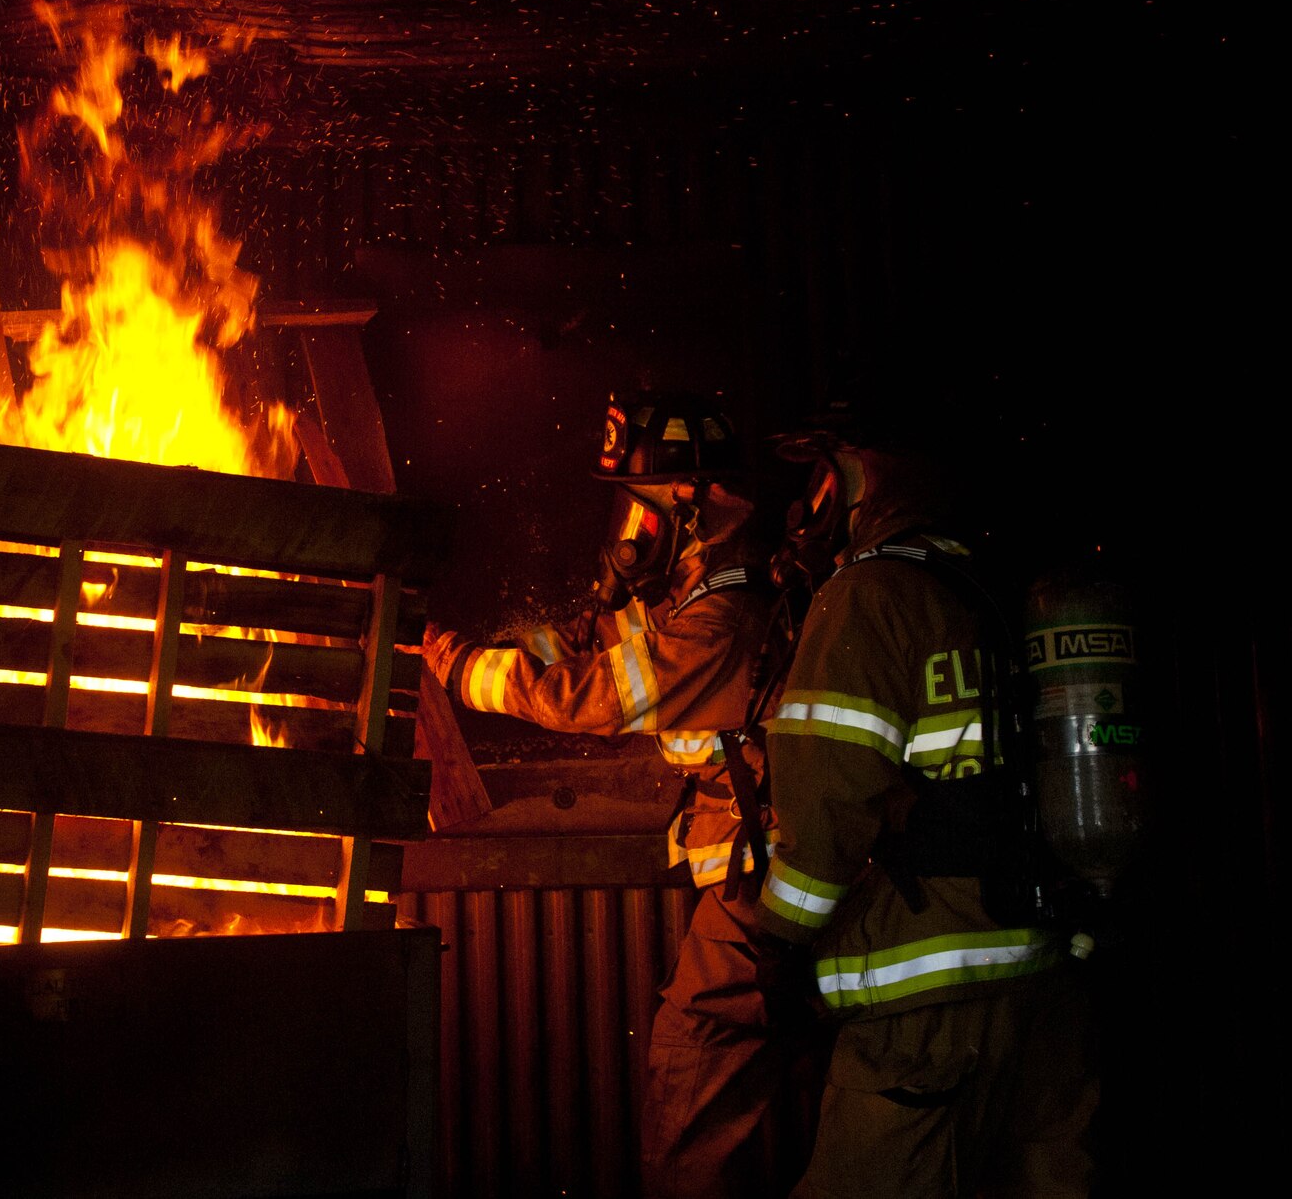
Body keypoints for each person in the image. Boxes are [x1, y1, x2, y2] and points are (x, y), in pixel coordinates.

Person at [424, 394, 811, 1199]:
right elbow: (584, 647)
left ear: (692, 506)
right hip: (763, 876)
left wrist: (463, 671)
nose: (627, 534)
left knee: (691, 1062)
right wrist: (469, 640)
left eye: (638, 510)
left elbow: (592, 697)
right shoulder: (697, 600)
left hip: (767, 880)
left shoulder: (719, 622)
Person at [757, 399, 1097, 1197]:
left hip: (925, 1006)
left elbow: (827, 804)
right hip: (1047, 985)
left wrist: (778, 945)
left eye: (824, 473)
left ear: (867, 473)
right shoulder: (1002, 586)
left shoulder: (871, 595)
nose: (813, 499)